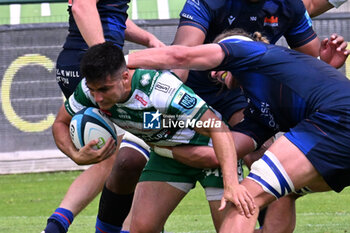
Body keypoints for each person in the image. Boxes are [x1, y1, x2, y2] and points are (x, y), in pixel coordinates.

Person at [126, 28, 350, 232]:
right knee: (283, 193)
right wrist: (159, 137)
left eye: (216, 67)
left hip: (336, 120)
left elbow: (180, 56)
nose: (213, 74)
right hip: (337, 127)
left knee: (244, 199)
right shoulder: (260, 109)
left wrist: (120, 63)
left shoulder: (247, 50)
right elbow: (220, 150)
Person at [53, 41, 256, 233]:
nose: (97, 98)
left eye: (104, 89)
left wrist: (232, 185)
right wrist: (75, 155)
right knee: (142, 229)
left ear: (125, 77)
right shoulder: (88, 91)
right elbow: (60, 123)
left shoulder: (161, 90)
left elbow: (216, 127)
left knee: (230, 230)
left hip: (211, 149)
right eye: (93, 89)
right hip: (166, 155)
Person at [43, 0, 165, 232]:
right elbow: (82, 6)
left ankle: (56, 225)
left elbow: (111, 16)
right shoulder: (106, 70)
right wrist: (108, 61)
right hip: (93, 68)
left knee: (112, 157)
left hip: (82, 63)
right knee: (134, 153)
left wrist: (147, 39)